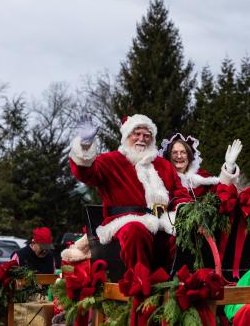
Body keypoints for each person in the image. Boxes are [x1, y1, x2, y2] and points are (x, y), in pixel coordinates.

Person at [69, 114, 192, 271]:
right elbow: (85, 173)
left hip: (161, 223)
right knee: (135, 230)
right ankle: (139, 283)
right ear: (127, 135)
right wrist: (85, 145)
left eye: (147, 135)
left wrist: (185, 210)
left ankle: (177, 281)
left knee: (184, 233)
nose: (142, 138)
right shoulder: (110, 161)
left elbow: (180, 194)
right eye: (137, 133)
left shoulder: (164, 166)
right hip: (124, 223)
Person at [160, 133, 241, 198]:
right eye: (174, 152)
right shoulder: (161, 180)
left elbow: (220, 194)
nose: (179, 156)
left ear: (189, 156)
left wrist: (229, 166)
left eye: (183, 152)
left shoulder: (202, 177)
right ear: (168, 157)